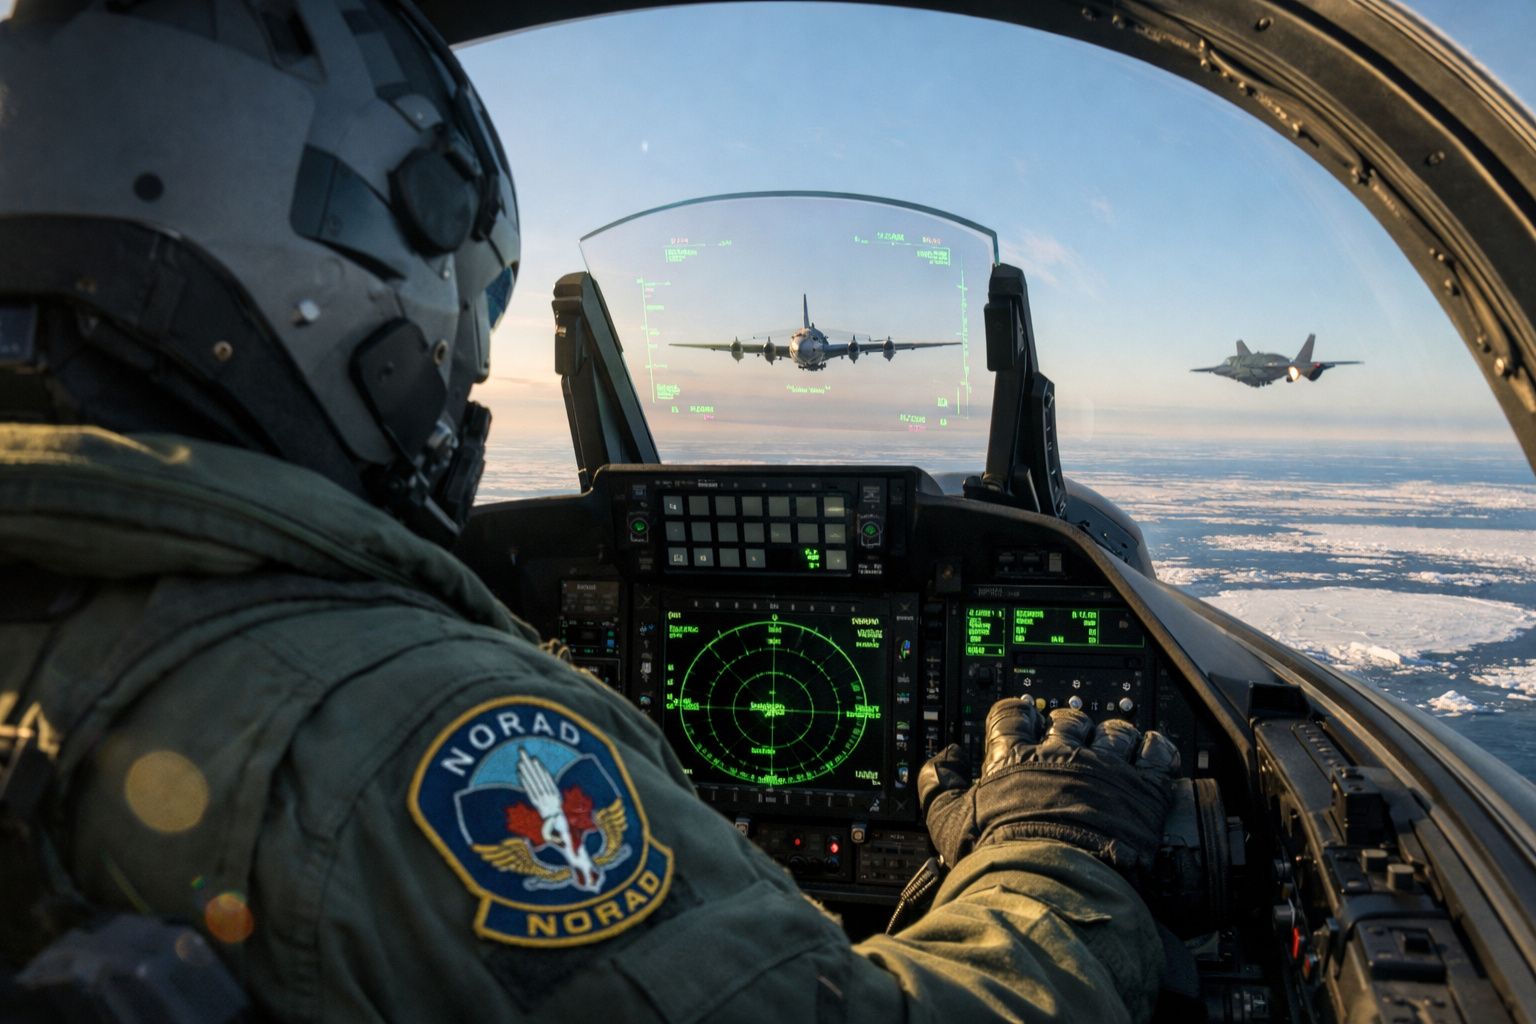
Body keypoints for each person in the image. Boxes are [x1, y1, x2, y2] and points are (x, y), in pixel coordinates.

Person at [0, 1, 1179, 1019]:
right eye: (456, 320)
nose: (459, 376)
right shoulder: (403, 724)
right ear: (334, 269)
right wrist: (1056, 849)